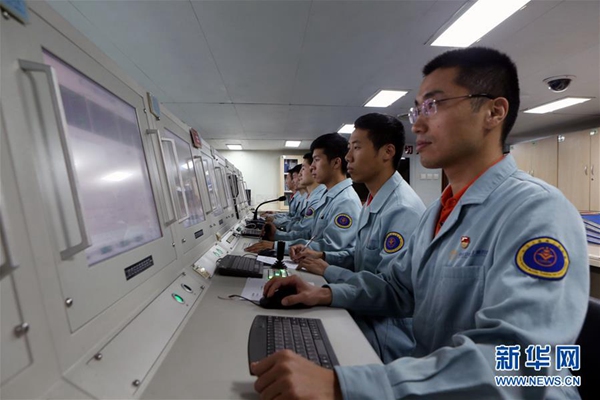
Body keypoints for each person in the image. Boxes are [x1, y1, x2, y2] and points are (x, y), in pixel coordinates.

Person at [251, 47, 589, 399]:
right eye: (417, 109)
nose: (417, 125)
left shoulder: (535, 211)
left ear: (494, 111)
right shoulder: (437, 213)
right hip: (432, 382)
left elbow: (520, 360)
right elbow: (397, 289)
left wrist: (342, 385)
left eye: (434, 105)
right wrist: (323, 292)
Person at [293, 113, 426, 362]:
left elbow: (393, 292)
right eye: (349, 148)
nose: (348, 157)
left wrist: (327, 282)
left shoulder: (402, 209)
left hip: (384, 337)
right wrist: (324, 258)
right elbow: (363, 256)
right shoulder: (374, 200)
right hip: (363, 314)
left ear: (387, 152)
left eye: (356, 147)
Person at [246, 133, 362, 256]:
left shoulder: (345, 201)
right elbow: (311, 235)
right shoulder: (328, 197)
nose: (312, 167)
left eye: (316, 160)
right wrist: (278, 236)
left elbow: (330, 248)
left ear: (336, 163)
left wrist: (278, 246)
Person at [265, 153, 327, 240]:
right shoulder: (311, 197)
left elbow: (305, 231)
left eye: (303, 169)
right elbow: (297, 221)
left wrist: (278, 235)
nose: (299, 175)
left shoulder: (318, 198)